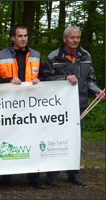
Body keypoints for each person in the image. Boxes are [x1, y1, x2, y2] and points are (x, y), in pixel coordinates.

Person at [41, 25, 105, 187]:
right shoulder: (54, 56)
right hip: (58, 108)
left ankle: (73, 173)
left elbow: (90, 80)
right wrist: (64, 77)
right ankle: (52, 174)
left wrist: (96, 91)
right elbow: (45, 79)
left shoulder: (86, 56)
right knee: (56, 139)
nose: (75, 40)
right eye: (72, 37)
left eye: (78, 37)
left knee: (76, 140)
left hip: (80, 105)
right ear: (64, 39)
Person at [0, 24, 44, 189]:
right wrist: (8, 81)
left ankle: (34, 177)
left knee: (32, 139)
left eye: (26, 35)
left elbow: (44, 75)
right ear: (13, 37)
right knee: (7, 139)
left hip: (30, 106)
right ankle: (6, 176)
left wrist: (40, 79)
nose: (23, 39)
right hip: (7, 106)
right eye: (20, 36)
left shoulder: (36, 55)